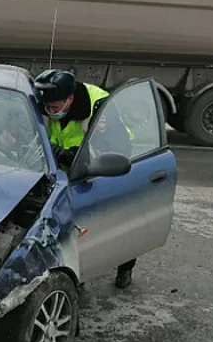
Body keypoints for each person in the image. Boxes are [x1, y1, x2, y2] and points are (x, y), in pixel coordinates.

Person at [33, 69, 136, 289]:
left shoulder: (99, 105)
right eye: (47, 108)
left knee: (118, 223)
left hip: (102, 167)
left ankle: (125, 266)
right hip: (62, 172)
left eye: (55, 108)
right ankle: (77, 274)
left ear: (70, 99)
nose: (50, 112)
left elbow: (119, 147)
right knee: (73, 227)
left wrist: (76, 155)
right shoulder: (44, 104)